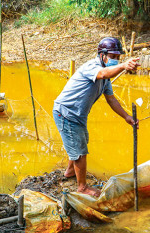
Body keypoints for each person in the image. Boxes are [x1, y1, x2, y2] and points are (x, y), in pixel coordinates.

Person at [53, 37, 140, 197]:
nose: (116, 60)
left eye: (118, 58)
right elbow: (102, 73)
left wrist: (126, 116)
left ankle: (71, 171)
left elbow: (111, 99)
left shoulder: (106, 77)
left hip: (78, 115)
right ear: (102, 55)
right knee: (79, 150)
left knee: (80, 141)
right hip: (66, 112)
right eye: (113, 57)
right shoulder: (93, 67)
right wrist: (123, 66)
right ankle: (82, 187)